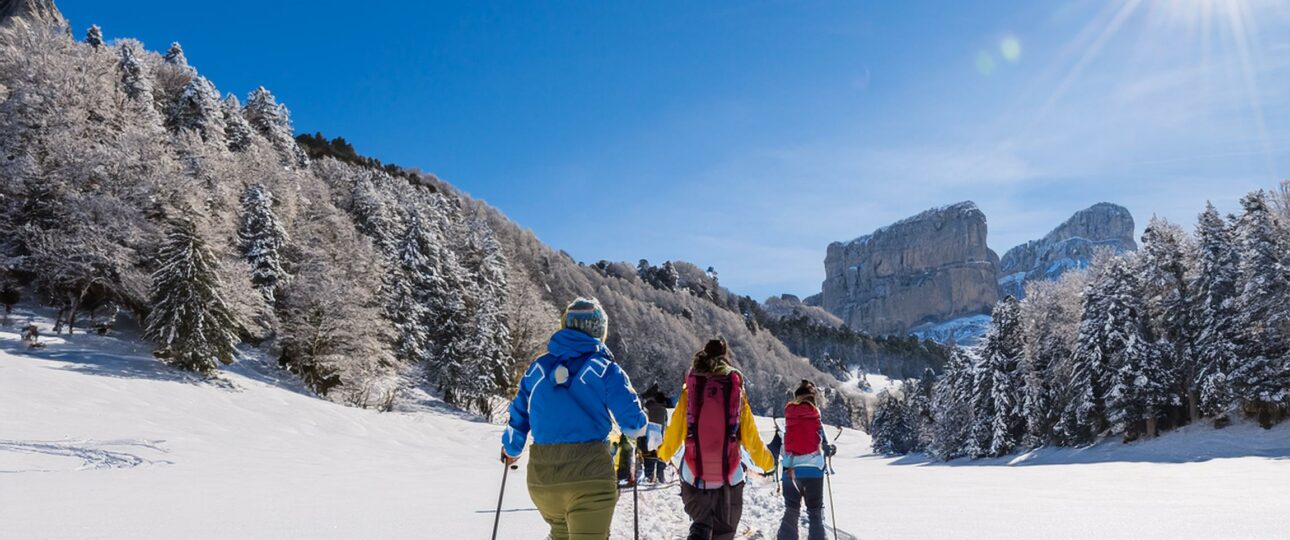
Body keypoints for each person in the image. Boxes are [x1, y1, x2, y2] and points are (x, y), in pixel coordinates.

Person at [501, 297, 655, 540]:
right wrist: (645, 433)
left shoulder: (537, 369)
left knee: (560, 533)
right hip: (589, 476)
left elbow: (517, 418)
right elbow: (633, 423)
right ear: (600, 331)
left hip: (543, 480)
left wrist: (511, 449)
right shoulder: (605, 369)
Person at [659, 338, 774, 540]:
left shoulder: (692, 389)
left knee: (700, 526)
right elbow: (750, 437)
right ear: (725, 356)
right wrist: (768, 463)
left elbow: (675, 430)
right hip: (729, 480)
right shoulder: (735, 389)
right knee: (724, 533)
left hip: (694, 477)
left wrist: (663, 453)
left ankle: (700, 531)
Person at [776, 380, 836, 540]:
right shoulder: (816, 418)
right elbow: (825, 445)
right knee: (815, 513)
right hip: (814, 472)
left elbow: (784, 446)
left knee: (791, 510)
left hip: (791, 471)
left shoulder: (789, 417)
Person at [638, 383, 672, 483]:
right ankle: (660, 476)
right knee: (660, 454)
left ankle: (649, 475)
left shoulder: (646, 407)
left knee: (648, 453)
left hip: (648, 434)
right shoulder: (663, 409)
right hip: (660, 434)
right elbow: (666, 423)